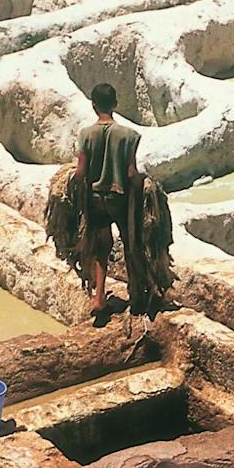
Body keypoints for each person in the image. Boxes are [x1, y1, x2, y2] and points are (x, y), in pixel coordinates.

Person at [75, 82, 144, 318]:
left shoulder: (86, 135)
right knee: (130, 243)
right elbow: (132, 173)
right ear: (115, 104)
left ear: (93, 106)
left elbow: (80, 172)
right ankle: (136, 293)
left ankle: (99, 298)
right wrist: (143, 188)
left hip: (96, 200)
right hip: (119, 199)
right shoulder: (129, 136)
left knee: (101, 249)